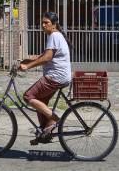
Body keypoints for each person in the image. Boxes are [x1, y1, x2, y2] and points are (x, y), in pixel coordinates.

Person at [19, 11, 72, 145]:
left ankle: (54, 119)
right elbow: (43, 56)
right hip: (59, 76)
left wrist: (27, 66)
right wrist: (25, 61)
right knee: (40, 101)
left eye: (46, 23)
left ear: (54, 25)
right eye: (42, 22)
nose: (43, 25)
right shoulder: (55, 35)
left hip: (55, 76)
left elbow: (47, 58)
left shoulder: (54, 35)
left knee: (28, 96)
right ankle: (45, 132)